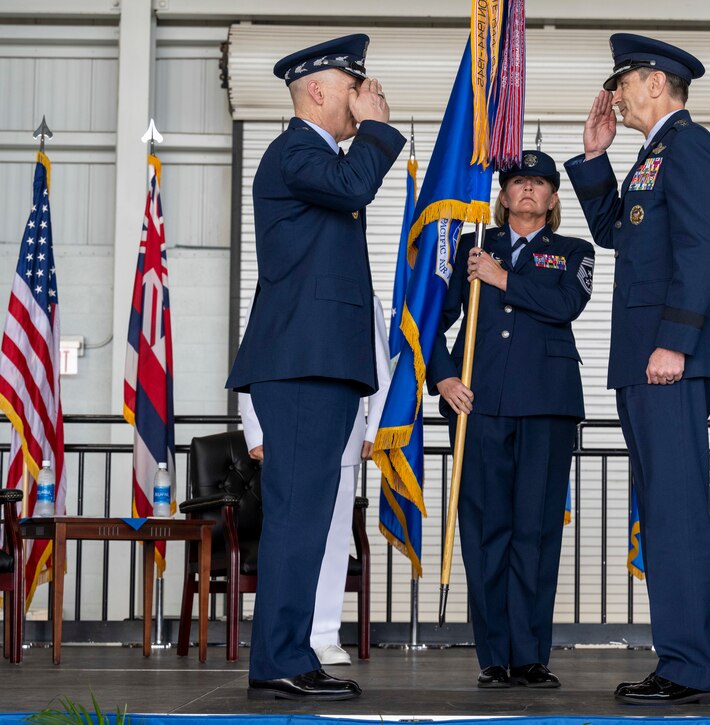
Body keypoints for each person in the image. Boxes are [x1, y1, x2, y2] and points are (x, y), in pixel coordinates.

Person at [225, 33, 404, 701]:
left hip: (320, 362)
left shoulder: (315, 156)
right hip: (302, 364)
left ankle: (290, 653)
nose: (365, 96)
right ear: (320, 90)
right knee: (299, 517)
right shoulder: (295, 151)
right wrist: (377, 130)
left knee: (309, 516)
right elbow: (355, 183)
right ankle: (279, 659)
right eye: (355, 86)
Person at [564, 34, 710, 705]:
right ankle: (681, 661)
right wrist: (594, 159)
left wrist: (676, 342)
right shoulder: (651, 155)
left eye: (623, 82)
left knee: (676, 513)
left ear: (656, 83)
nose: (615, 95)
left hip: (668, 360)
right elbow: (617, 231)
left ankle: (691, 669)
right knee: (663, 512)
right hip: (644, 359)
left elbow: (703, 246)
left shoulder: (690, 146)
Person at [427, 150, 594, 690]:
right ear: (501, 195)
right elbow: (432, 318)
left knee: (536, 533)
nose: (527, 189)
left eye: (538, 183)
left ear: (552, 197)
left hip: (546, 406)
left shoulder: (574, 251)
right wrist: (443, 377)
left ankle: (530, 657)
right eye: (517, 181)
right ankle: (494, 656)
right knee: (486, 532)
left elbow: (566, 305)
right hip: (479, 406)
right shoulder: (471, 246)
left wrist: (501, 279)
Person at [238, 293, 391, 668]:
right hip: (285, 434)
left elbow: (380, 371)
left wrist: (374, 429)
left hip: (342, 436)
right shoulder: (275, 288)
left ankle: (323, 635)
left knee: (333, 540)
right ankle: (284, 637)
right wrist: (255, 432)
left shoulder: (361, 296)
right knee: (289, 537)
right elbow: (252, 363)